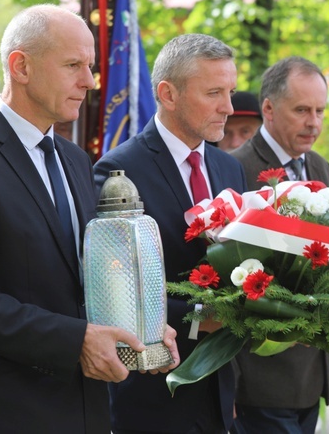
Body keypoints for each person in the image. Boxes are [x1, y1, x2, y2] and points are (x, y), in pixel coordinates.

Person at [0, 4, 179, 434]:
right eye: (73, 65)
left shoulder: (77, 161)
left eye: (90, 66)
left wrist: (142, 330)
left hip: (86, 410)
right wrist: (77, 341)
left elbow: (85, 280)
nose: (89, 82)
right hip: (4, 415)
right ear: (20, 66)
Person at [94, 33, 246, 434]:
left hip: (220, 392)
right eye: (214, 92)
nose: (228, 108)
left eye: (229, 92)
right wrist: (199, 319)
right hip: (152, 395)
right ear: (168, 93)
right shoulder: (118, 174)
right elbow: (114, 293)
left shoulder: (229, 169)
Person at [229, 56, 329, 433]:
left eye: (320, 110)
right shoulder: (234, 169)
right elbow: (227, 280)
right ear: (269, 109)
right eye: (303, 110)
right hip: (259, 380)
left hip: (311, 375)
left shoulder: (321, 168)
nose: (314, 123)